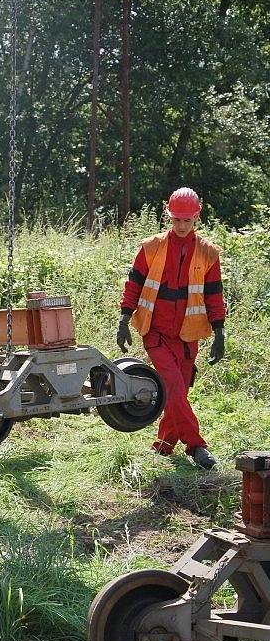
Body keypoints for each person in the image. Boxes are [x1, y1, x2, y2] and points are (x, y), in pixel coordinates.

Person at [117, 187, 226, 469]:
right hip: (155, 332)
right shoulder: (151, 247)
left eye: (186, 221)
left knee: (178, 392)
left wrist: (219, 332)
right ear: (169, 216)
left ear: (196, 218)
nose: (181, 226)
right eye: (176, 220)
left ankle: (164, 446)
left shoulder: (208, 253)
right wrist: (124, 318)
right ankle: (197, 446)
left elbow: (214, 295)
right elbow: (134, 284)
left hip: (188, 335)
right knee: (174, 389)